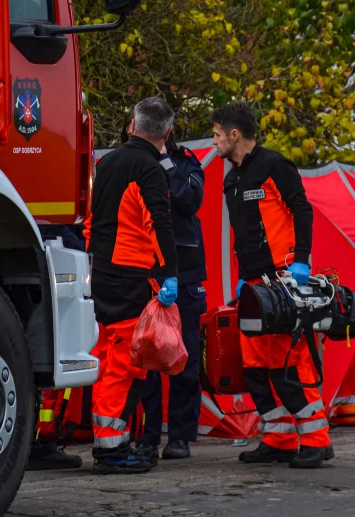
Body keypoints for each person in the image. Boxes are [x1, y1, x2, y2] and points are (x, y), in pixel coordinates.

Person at [210, 101, 333, 469]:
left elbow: (301, 209)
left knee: (291, 366)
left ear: (235, 135)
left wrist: (302, 260)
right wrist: (243, 283)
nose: (214, 142)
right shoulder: (231, 178)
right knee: (255, 369)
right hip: (253, 287)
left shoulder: (274, 166)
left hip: (284, 282)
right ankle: (279, 438)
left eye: (217, 135)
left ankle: (316, 440)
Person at [84, 98, 179, 474]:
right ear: (167, 134)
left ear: (132, 125)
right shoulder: (150, 169)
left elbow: (90, 219)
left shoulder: (104, 163)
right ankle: (111, 451)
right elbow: (159, 223)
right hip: (130, 276)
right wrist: (170, 272)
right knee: (125, 366)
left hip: (101, 274)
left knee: (106, 359)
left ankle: (108, 443)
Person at [115, 115, 208, 463]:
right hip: (141, 271)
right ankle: (148, 436)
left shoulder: (185, 162)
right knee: (145, 358)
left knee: (184, 361)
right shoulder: (127, 163)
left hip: (184, 274)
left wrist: (166, 160)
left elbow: (188, 200)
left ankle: (181, 437)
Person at [28, 224, 88, 471]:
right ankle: (41, 441)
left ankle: (39, 439)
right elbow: (67, 237)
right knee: (46, 363)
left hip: (35, 263)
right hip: (51, 267)